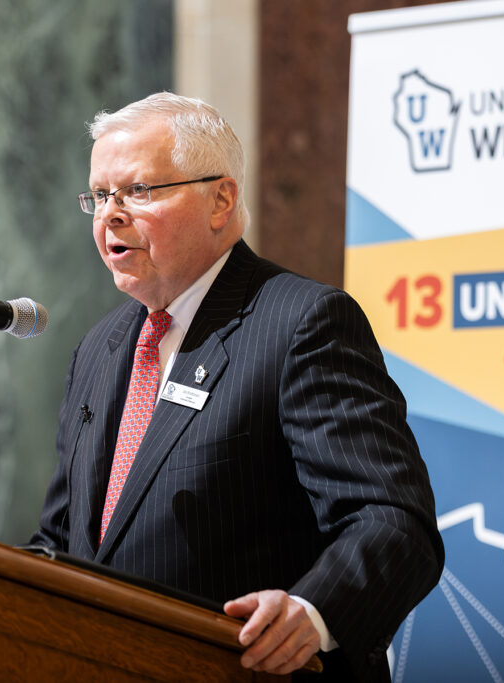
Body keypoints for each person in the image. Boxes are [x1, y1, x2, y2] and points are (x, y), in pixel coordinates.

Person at [30, 92, 443, 681]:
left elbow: (392, 520)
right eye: (99, 196)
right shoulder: (99, 349)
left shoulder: (301, 323)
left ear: (220, 199)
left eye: (138, 192)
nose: (110, 216)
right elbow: (63, 538)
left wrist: (312, 611)